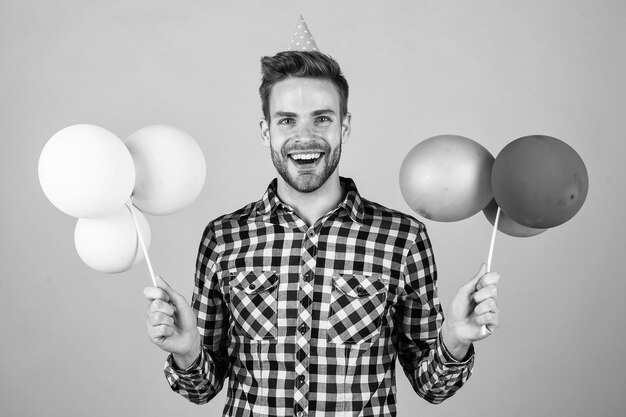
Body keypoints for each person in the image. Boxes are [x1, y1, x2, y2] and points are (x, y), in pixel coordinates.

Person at [144, 50, 501, 417]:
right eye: (287, 120)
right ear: (266, 130)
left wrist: (456, 338)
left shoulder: (402, 238)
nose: (305, 137)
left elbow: (432, 387)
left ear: (344, 126)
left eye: (322, 119)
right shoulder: (223, 238)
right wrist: (187, 351)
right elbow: (202, 390)